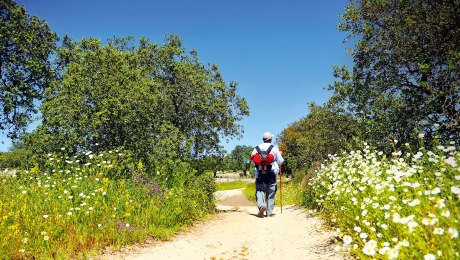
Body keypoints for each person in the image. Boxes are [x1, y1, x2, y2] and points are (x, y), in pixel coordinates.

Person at [249, 132, 284, 217]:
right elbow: (280, 161)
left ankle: (261, 205)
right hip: (271, 173)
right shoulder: (274, 149)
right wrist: (280, 154)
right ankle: (269, 212)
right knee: (271, 191)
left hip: (260, 174)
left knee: (260, 190)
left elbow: (253, 162)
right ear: (271, 139)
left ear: (263, 139)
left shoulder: (256, 149)